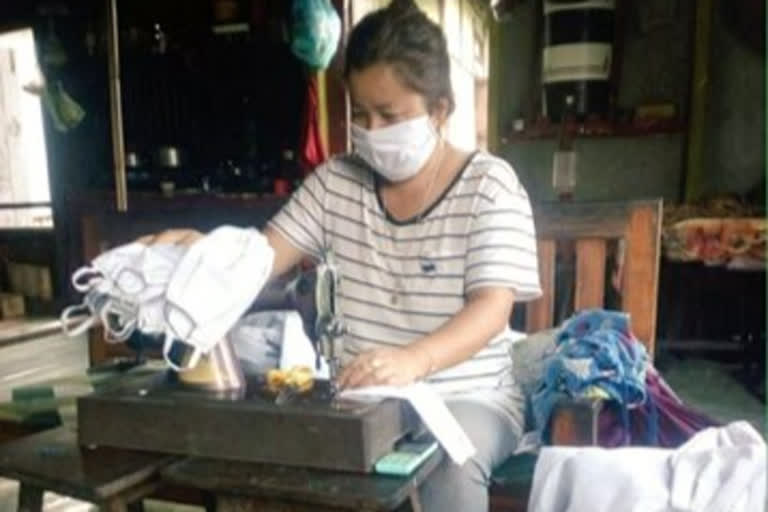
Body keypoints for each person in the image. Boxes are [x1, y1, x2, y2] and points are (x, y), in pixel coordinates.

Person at [142, 0, 541, 509]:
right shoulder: (336, 183)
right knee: (280, 458)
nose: (371, 131)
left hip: (470, 396)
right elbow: (264, 254)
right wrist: (200, 252)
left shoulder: (489, 185)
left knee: (446, 466)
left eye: (390, 115)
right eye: (361, 113)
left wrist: (413, 361)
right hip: (366, 399)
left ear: (440, 110)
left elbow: (492, 309)